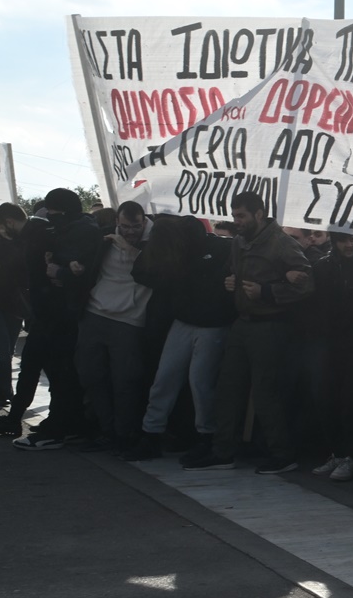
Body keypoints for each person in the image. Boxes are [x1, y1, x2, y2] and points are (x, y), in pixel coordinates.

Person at [182, 192, 316, 474]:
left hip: (271, 325)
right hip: (243, 323)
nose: (237, 221)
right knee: (228, 387)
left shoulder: (282, 244)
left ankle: (282, 454)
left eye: (241, 216)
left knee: (266, 392)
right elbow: (234, 272)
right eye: (234, 216)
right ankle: (223, 452)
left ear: (258, 214)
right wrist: (231, 281)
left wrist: (266, 290)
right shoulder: (239, 242)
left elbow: (306, 285)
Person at [122, 216, 234, 463]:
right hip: (188, 321)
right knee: (166, 379)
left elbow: (143, 271)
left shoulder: (220, 248)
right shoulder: (182, 251)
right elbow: (141, 271)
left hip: (211, 324)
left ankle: (205, 437)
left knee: (199, 383)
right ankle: (153, 433)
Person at [12, 189, 100, 449]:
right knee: (61, 373)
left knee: (62, 374)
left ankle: (58, 427)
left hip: (64, 315)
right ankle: (68, 424)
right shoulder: (77, 228)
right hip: (58, 314)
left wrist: (59, 270)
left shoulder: (81, 232)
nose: (51, 218)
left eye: (54, 213)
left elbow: (78, 273)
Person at [67, 201, 153, 453]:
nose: (129, 231)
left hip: (129, 319)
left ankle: (123, 434)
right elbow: (85, 255)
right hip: (95, 312)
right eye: (124, 227)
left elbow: (160, 269)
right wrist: (76, 265)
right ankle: (106, 429)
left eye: (135, 226)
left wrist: (130, 248)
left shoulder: (155, 239)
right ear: (117, 221)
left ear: (144, 220)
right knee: (90, 374)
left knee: (125, 380)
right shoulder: (105, 235)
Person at [306, 232, 353, 481]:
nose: (349, 245)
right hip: (328, 344)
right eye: (343, 240)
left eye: (352, 239)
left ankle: (351, 456)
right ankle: (339, 453)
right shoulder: (323, 267)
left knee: (350, 403)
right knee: (325, 399)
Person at [0, 203, 28, 412]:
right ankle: (4, 393)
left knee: (7, 351)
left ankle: (4, 392)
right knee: (2, 349)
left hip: (15, 304)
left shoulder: (21, 239)